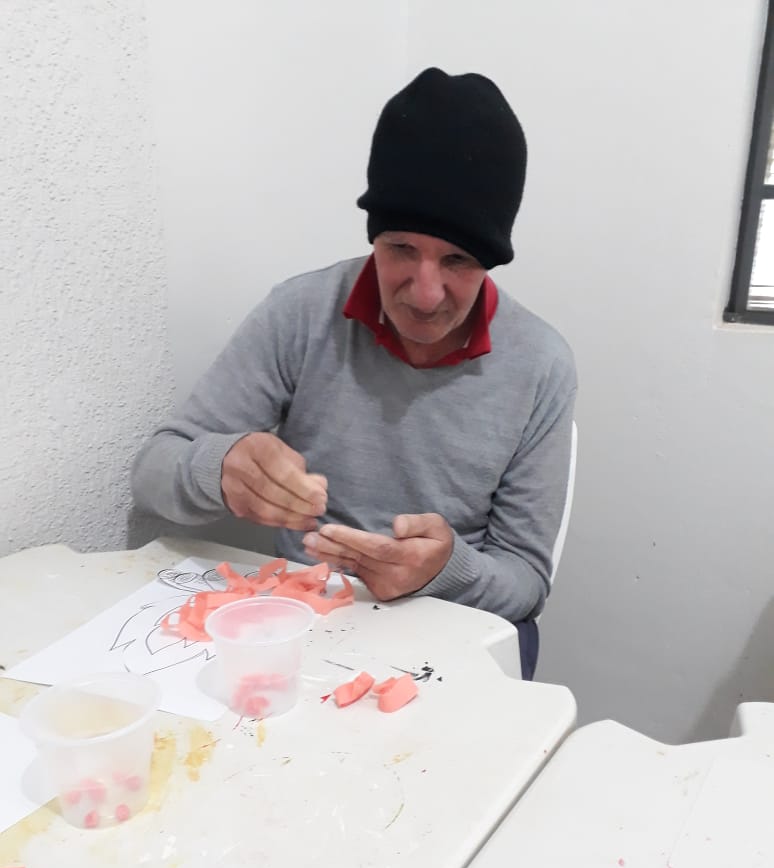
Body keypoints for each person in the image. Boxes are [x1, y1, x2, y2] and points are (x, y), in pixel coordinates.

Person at [131, 67, 577, 680]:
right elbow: (154, 471)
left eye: (458, 259)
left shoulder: (541, 364)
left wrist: (443, 571)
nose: (425, 294)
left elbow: (525, 584)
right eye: (400, 249)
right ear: (373, 236)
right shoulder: (301, 314)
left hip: (450, 630)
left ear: (492, 259)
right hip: (308, 626)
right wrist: (221, 469)